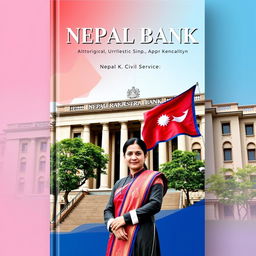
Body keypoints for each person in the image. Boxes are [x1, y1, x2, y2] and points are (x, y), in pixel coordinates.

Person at [104, 138, 168, 256]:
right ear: (124, 157)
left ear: (145, 156)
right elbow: (108, 209)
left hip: (143, 234)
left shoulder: (154, 179)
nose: (134, 157)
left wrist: (124, 219)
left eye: (138, 153)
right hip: (119, 235)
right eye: (130, 154)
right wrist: (114, 226)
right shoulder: (119, 183)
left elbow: (155, 204)